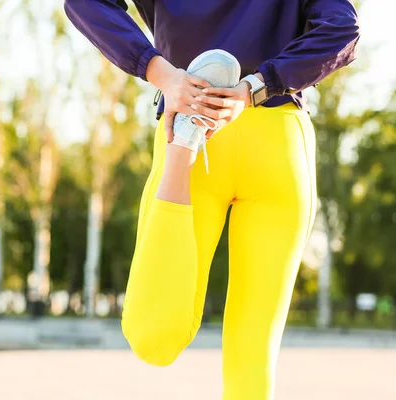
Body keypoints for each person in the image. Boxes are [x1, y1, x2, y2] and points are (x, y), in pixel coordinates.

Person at [65, 1, 360, 398]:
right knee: (253, 351)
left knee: (151, 334)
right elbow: (342, 29)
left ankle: (188, 133)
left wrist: (163, 74)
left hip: (189, 114)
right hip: (277, 138)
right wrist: (254, 87)